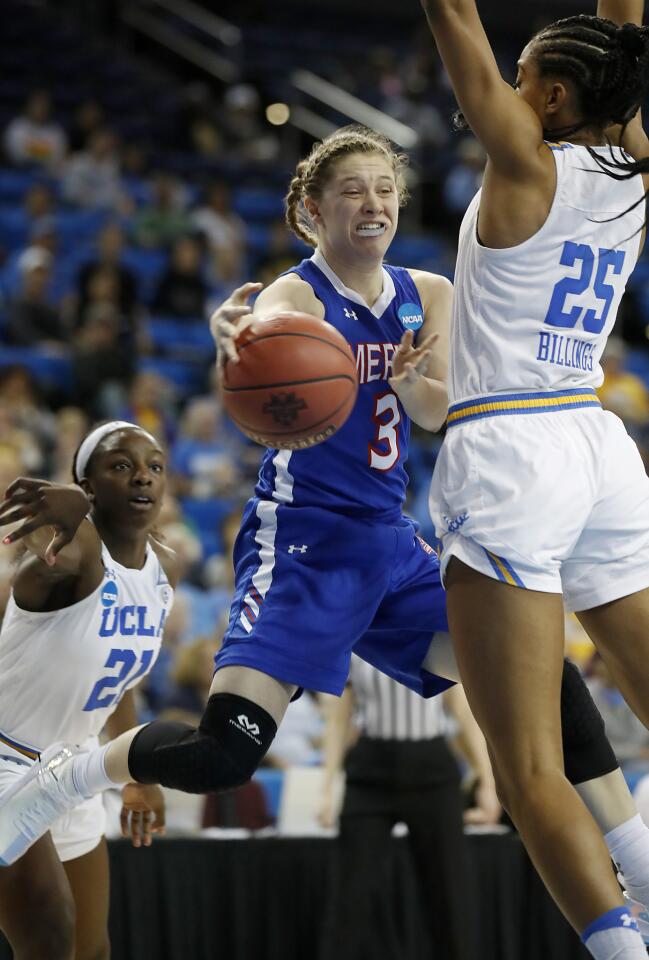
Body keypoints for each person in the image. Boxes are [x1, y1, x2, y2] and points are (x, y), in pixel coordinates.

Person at [3, 127, 649, 950]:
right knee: (223, 756)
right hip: (301, 547)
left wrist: (418, 383)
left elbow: (432, 416)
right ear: (312, 211)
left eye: (385, 187)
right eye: (352, 190)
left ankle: (633, 862)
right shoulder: (298, 299)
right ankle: (73, 776)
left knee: (546, 678)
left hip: (389, 543)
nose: (374, 201)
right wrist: (229, 337)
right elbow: (254, 335)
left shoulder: (432, 293)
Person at [421, 0, 649, 956]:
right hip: (597, 447)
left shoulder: (527, 159)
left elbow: (450, 15)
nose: (505, 93)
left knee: (525, 769)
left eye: (521, 81)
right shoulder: (633, 154)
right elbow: (623, 33)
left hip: (511, 448)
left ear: (551, 99)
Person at [0, 420, 177, 960]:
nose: (142, 478)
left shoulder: (156, 579)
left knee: (89, 949)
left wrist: (135, 775)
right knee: (49, 940)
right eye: (121, 466)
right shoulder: (68, 562)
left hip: (72, 770)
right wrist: (63, 518)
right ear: (89, 485)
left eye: (153, 467)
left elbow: (115, 684)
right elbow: (61, 555)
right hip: (7, 765)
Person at [318, 660, 496, 960]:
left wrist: (487, 782)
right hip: (370, 771)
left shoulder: (430, 628)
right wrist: (326, 787)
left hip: (432, 772)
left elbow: (462, 711)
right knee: (350, 895)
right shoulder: (354, 635)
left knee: (449, 895)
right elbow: (339, 719)